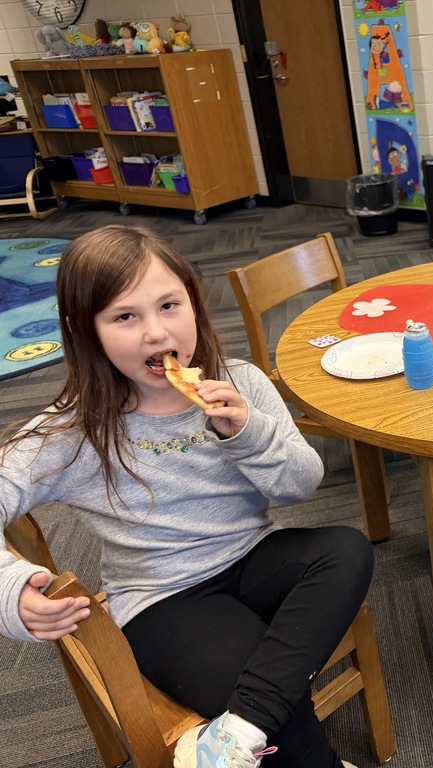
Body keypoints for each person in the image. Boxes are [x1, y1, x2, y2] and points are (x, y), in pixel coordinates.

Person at [0, 225, 373, 768]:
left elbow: (302, 485)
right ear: (86, 331)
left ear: (193, 305)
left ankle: (236, 732)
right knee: (283, 711)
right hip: (164, 599)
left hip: (254, 558)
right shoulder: (71, 434)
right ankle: (263, 728)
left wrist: (248, 434)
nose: (156, 332)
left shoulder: (241, 383)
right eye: (124, 316)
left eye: (169, 305)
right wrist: (10, 590)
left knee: (347, 548)